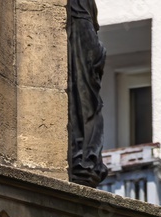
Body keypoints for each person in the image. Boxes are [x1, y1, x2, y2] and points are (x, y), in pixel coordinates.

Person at [68, 0, 109, 187]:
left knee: (84, 103)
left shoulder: (81, 18)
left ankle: (85, 158)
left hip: (82, 34)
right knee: (86, 104)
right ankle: (87, 158)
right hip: (86, 36)